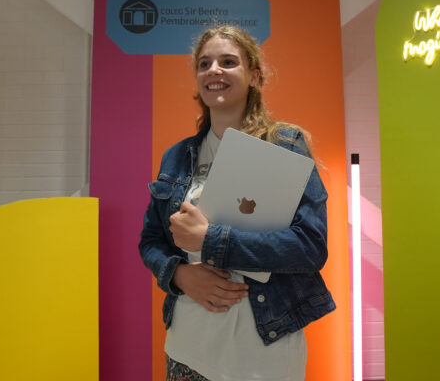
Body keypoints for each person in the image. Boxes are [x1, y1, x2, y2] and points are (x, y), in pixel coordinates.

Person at [139, 26, 335, 381]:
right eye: (204, 63)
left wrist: (210, 241)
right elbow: (150, 241)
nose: (214, 70)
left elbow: (310, 247)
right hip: (187, 352)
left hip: (265, 358)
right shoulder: (177, 157)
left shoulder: (285, 147)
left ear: (254, 76)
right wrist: (179, 275)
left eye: (228, 62)